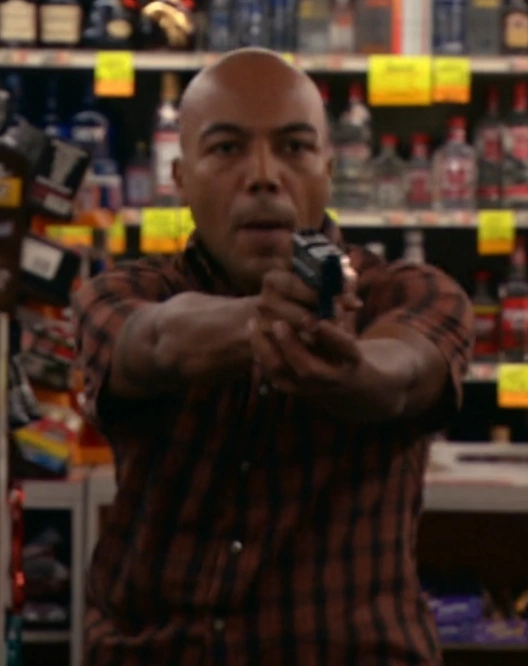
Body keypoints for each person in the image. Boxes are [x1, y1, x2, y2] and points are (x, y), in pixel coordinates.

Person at [73, 48, 474, 666]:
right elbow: (156, 341)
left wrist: (354, 371)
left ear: (328, 170)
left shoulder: (412, 292)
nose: (263, 175)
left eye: (293, 147)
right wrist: (266, 320)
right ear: (180, 179)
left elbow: (405, 372)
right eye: (227, 148)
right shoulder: (118, 293)